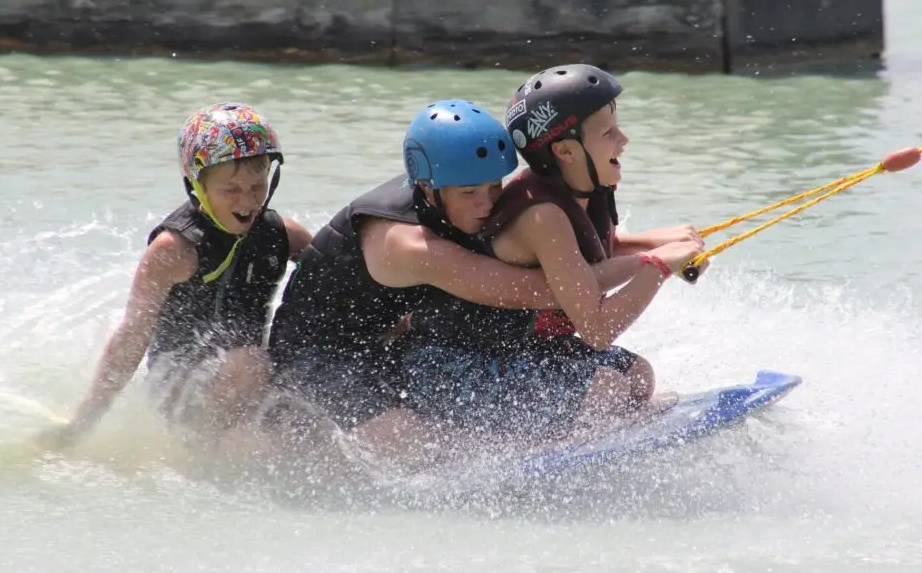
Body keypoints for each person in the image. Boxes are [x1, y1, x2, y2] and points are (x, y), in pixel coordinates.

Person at [266, 99, 645, 462]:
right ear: (429, 188)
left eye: (494, 187)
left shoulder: (449, 189)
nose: (487, 203)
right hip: (318, 357)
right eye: (470, 194)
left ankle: (532, 432)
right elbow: (534, 291)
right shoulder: (408, 244)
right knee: (405, 438)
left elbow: (575, 261)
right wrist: (654, 265)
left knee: (634, 377)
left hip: (389, 341)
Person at [399, 64, 706, 445]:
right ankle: (545, 449)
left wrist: (657, 242)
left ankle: (575, 428)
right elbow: (596, 330)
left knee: (638, 376)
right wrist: (659, 265)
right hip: (453, 365)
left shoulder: (584, 187)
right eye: (608, 132)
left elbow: (590, 252)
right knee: (605, 390)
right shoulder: (541, 215)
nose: (623, 140)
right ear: (565, 150)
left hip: (524, 352)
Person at [37, 102, 313, 451]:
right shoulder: (174, 251)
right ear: (198, 185)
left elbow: (340, 282)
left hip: (245, 379)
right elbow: (132, 335)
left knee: (294, 414)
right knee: (252, 365)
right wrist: (84, 421)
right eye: (231, 189)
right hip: (178, 385)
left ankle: (244, 443)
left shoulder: (285, 235)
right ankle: (202, 453)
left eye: (257, 186)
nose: (248, 200)